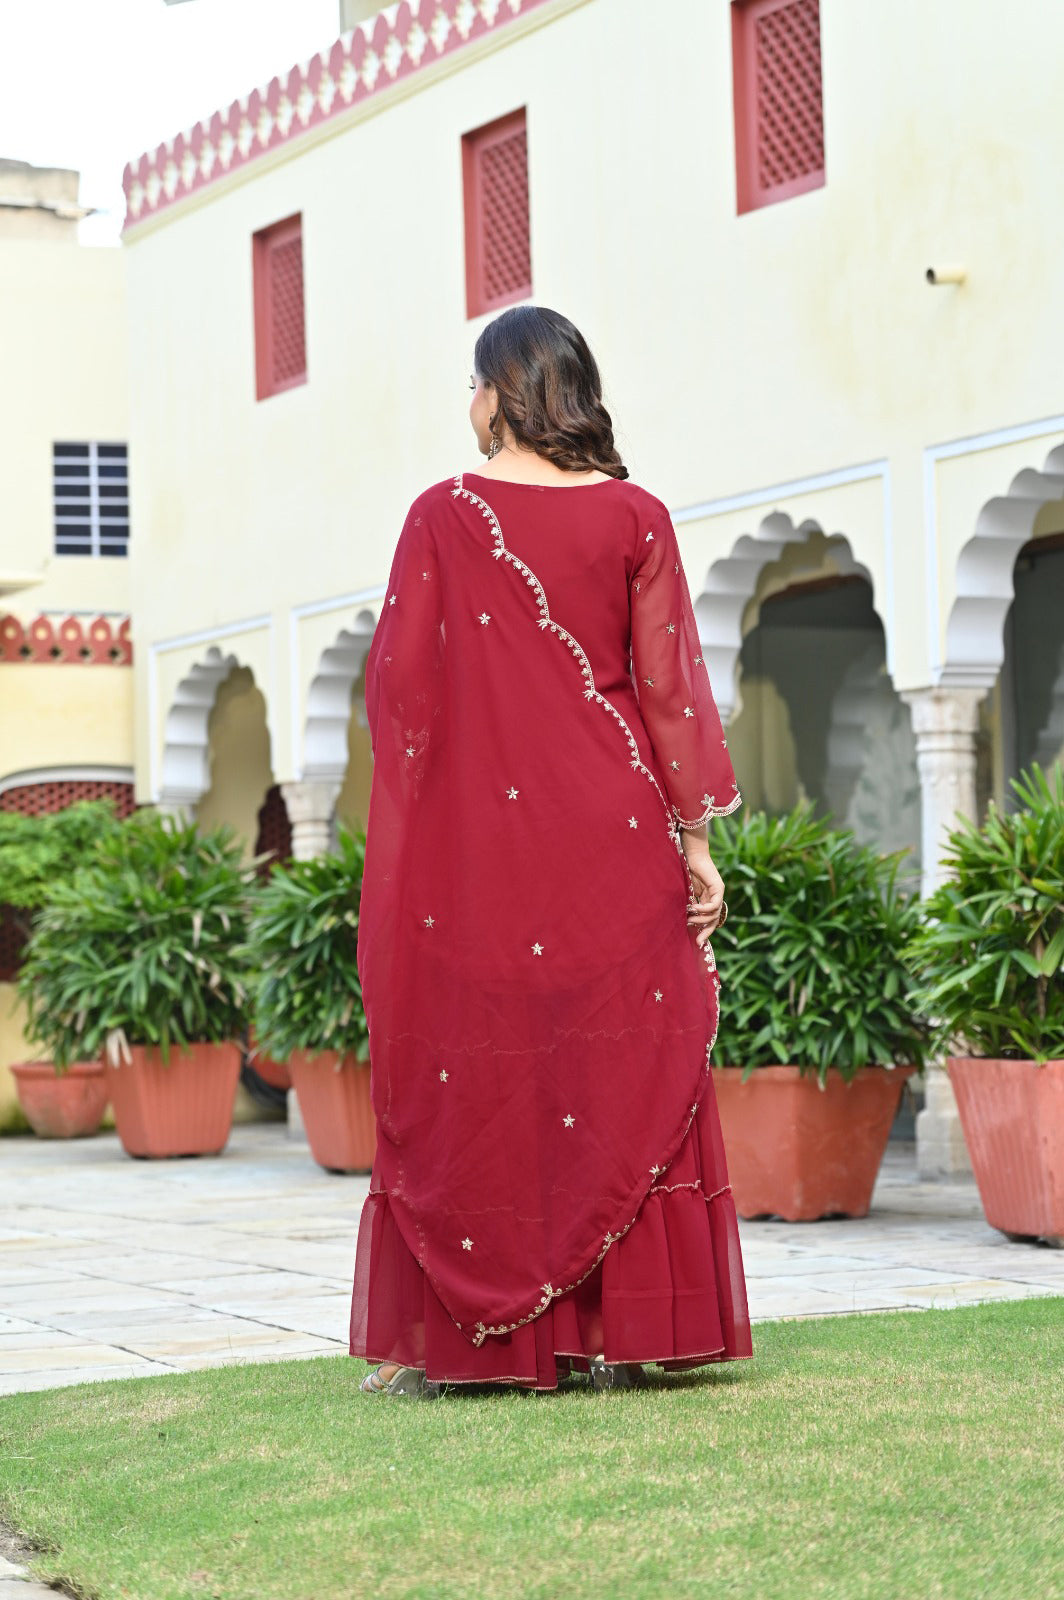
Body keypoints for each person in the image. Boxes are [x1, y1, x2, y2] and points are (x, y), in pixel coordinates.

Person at [350, 306, 752, 1395]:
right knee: (613, 1054)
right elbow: (669, 692)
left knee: (492, 1064)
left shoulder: (441, 516)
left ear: (505, 390)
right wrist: (695, 842)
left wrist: (438, 821)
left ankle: (481, 1333)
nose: (465, 405)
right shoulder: (636, 515)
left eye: (472, 383)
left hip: (484, 856)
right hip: (616, 836)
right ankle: (620, 1331)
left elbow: (402, 700)